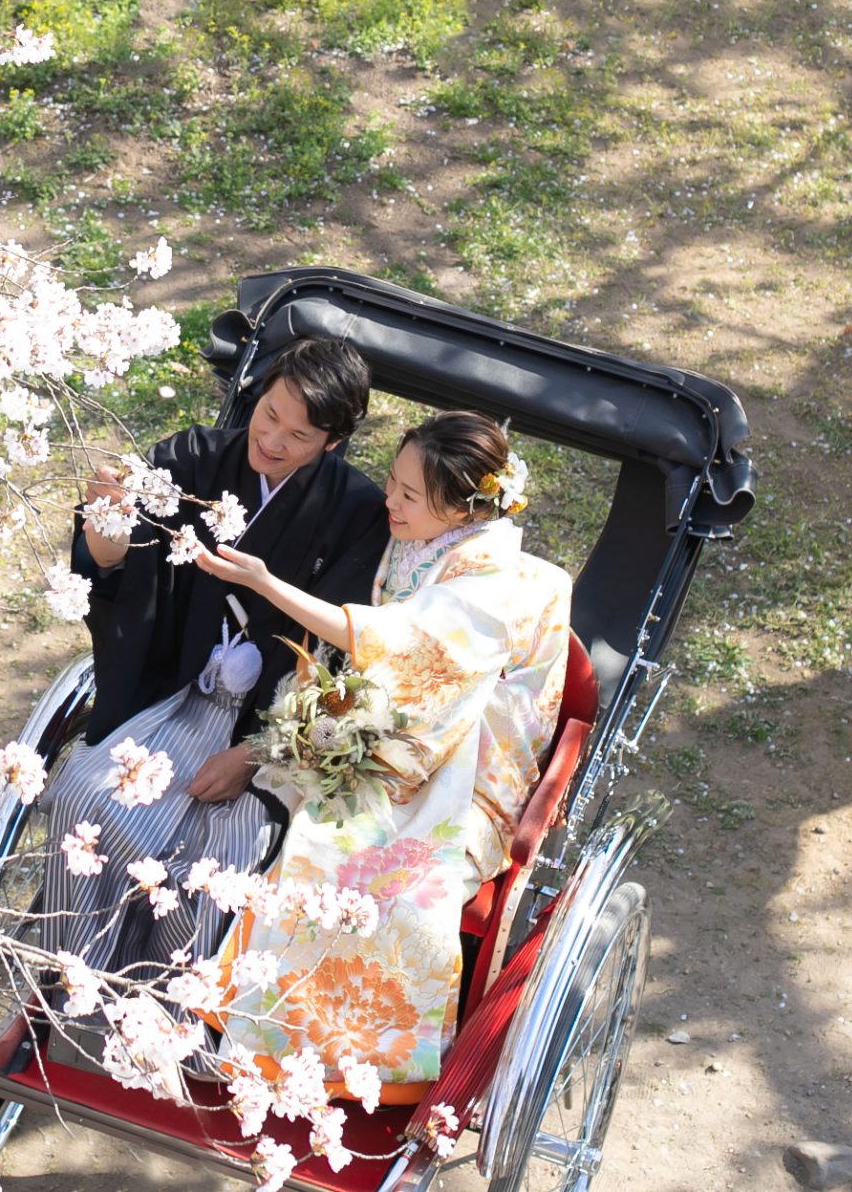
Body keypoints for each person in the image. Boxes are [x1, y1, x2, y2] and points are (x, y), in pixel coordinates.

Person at [193, 410, 572, 1103]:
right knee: (304, 837)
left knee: (363, 876)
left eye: (409, 495)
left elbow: (396, 644)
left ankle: (348, 1068)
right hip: (403, 734)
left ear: (463, 508)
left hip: (463, 767)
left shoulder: (494, 581)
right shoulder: (421, 541)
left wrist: (267, 583)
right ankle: (259, 1036)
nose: (389, 501)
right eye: (392, 481)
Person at [27, 338, 391, 982]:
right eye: (269, 414)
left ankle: (163, 1003)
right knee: (86, 800)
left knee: (218, 865)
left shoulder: (358, 512)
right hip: (165, 691)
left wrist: (254, 754)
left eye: (299, 435)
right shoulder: (190, 460)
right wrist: (106, 529)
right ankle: (68, 975)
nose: (272, 440)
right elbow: (111, 570)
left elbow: (341, 654)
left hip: (269, 725)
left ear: (332, 442)